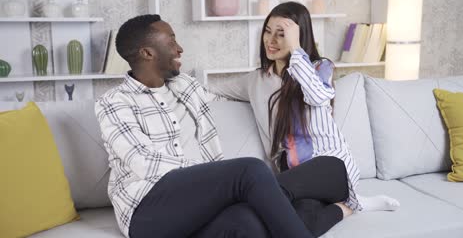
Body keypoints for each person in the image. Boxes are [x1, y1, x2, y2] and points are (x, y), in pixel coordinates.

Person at [95, 14, 350, 238]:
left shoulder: (186, 86)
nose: (180, 48)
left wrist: (282, 81)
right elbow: (144, 163)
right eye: (171, 41)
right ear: (147, 53)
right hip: (147, 212)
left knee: (248, 223)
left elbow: (227, 95)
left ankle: (333, 214)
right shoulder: (114, 103)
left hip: (197, 209)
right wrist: (220, 184)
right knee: (249, 170)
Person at [207, 1, 400, 236]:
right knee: (295, 224)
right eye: (268, 31)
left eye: (282, 34)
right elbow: (212, 92)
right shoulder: (255, 81)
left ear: (298, 36)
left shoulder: (320, 68)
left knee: (264, 192)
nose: (271, 40)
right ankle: (347, 207)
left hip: (331, 167)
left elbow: (318, 96)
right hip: (292, 176)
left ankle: (218, 209)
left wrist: (296, 49)